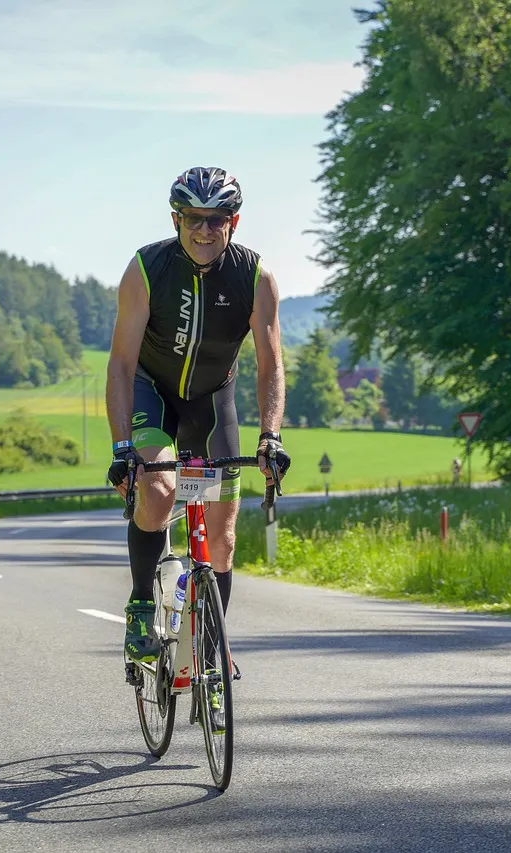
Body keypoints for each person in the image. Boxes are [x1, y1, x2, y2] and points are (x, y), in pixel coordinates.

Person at [105, 166, 291, 704]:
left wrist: (270, 437)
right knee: (160, 490)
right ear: (176, 220)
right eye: (193, 219)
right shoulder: (147, 268)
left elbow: (270, 364)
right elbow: (120, 364)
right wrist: (123, 447)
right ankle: (141, 603)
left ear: (234, 221)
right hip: (151, 393)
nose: (204, 230)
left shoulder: (255, 277)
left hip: (212, 403)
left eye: (216, 219)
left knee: (222, 538)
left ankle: (209, 653)